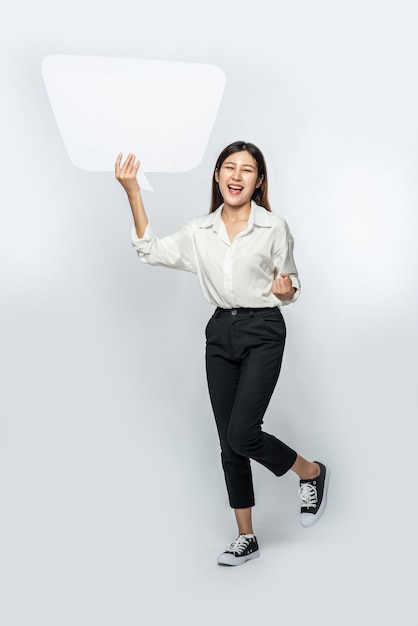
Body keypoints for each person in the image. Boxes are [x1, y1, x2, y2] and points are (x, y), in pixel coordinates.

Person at [115, 140, 330, 566]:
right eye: (228, 167)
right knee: (228, 443)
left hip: (264, 330)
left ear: (258, 181)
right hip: (220, 333)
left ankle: (311, 473)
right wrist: (133, 192)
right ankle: (245, 536)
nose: (236, 176)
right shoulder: (200, 231)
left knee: (243, 433)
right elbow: (151, 251)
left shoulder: (274, 227)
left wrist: (286, 291)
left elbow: (289, 284)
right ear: (217, 176)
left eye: (246, 170)